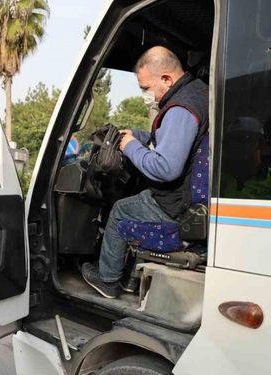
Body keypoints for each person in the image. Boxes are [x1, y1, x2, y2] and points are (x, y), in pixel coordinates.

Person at [82, 46, 209, 298]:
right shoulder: (199, 92)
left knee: (120, 210)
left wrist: (129, 147)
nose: (144, 95)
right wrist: (139, 137)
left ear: (166, 78)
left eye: (145, 88)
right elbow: (175, 142)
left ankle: (108, 280)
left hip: (177, 206)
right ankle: (130, 277)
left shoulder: (179, 109)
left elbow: (165, 169)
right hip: (195, 199)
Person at [221, 117, 271, 200]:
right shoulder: (217, 180)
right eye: (230, 140)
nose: (235, 145)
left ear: (261, 143)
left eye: (242, 139)